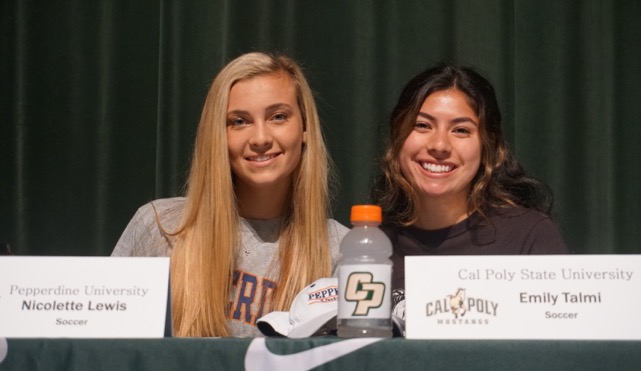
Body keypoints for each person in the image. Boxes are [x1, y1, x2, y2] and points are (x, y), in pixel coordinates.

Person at [112, 52, 348, 337]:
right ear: (218, 135)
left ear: (305, 128)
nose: (260, 138)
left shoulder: (344, 251)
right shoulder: (162, 227)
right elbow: (108, 358)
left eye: (278, 117)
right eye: (239, 121)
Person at [371, 63, 569, 318]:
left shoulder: (529, 235)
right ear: (396, 137)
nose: (439, 145)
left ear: (489, 148)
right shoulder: (369, 246)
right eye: (422, 125)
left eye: (461, 130)